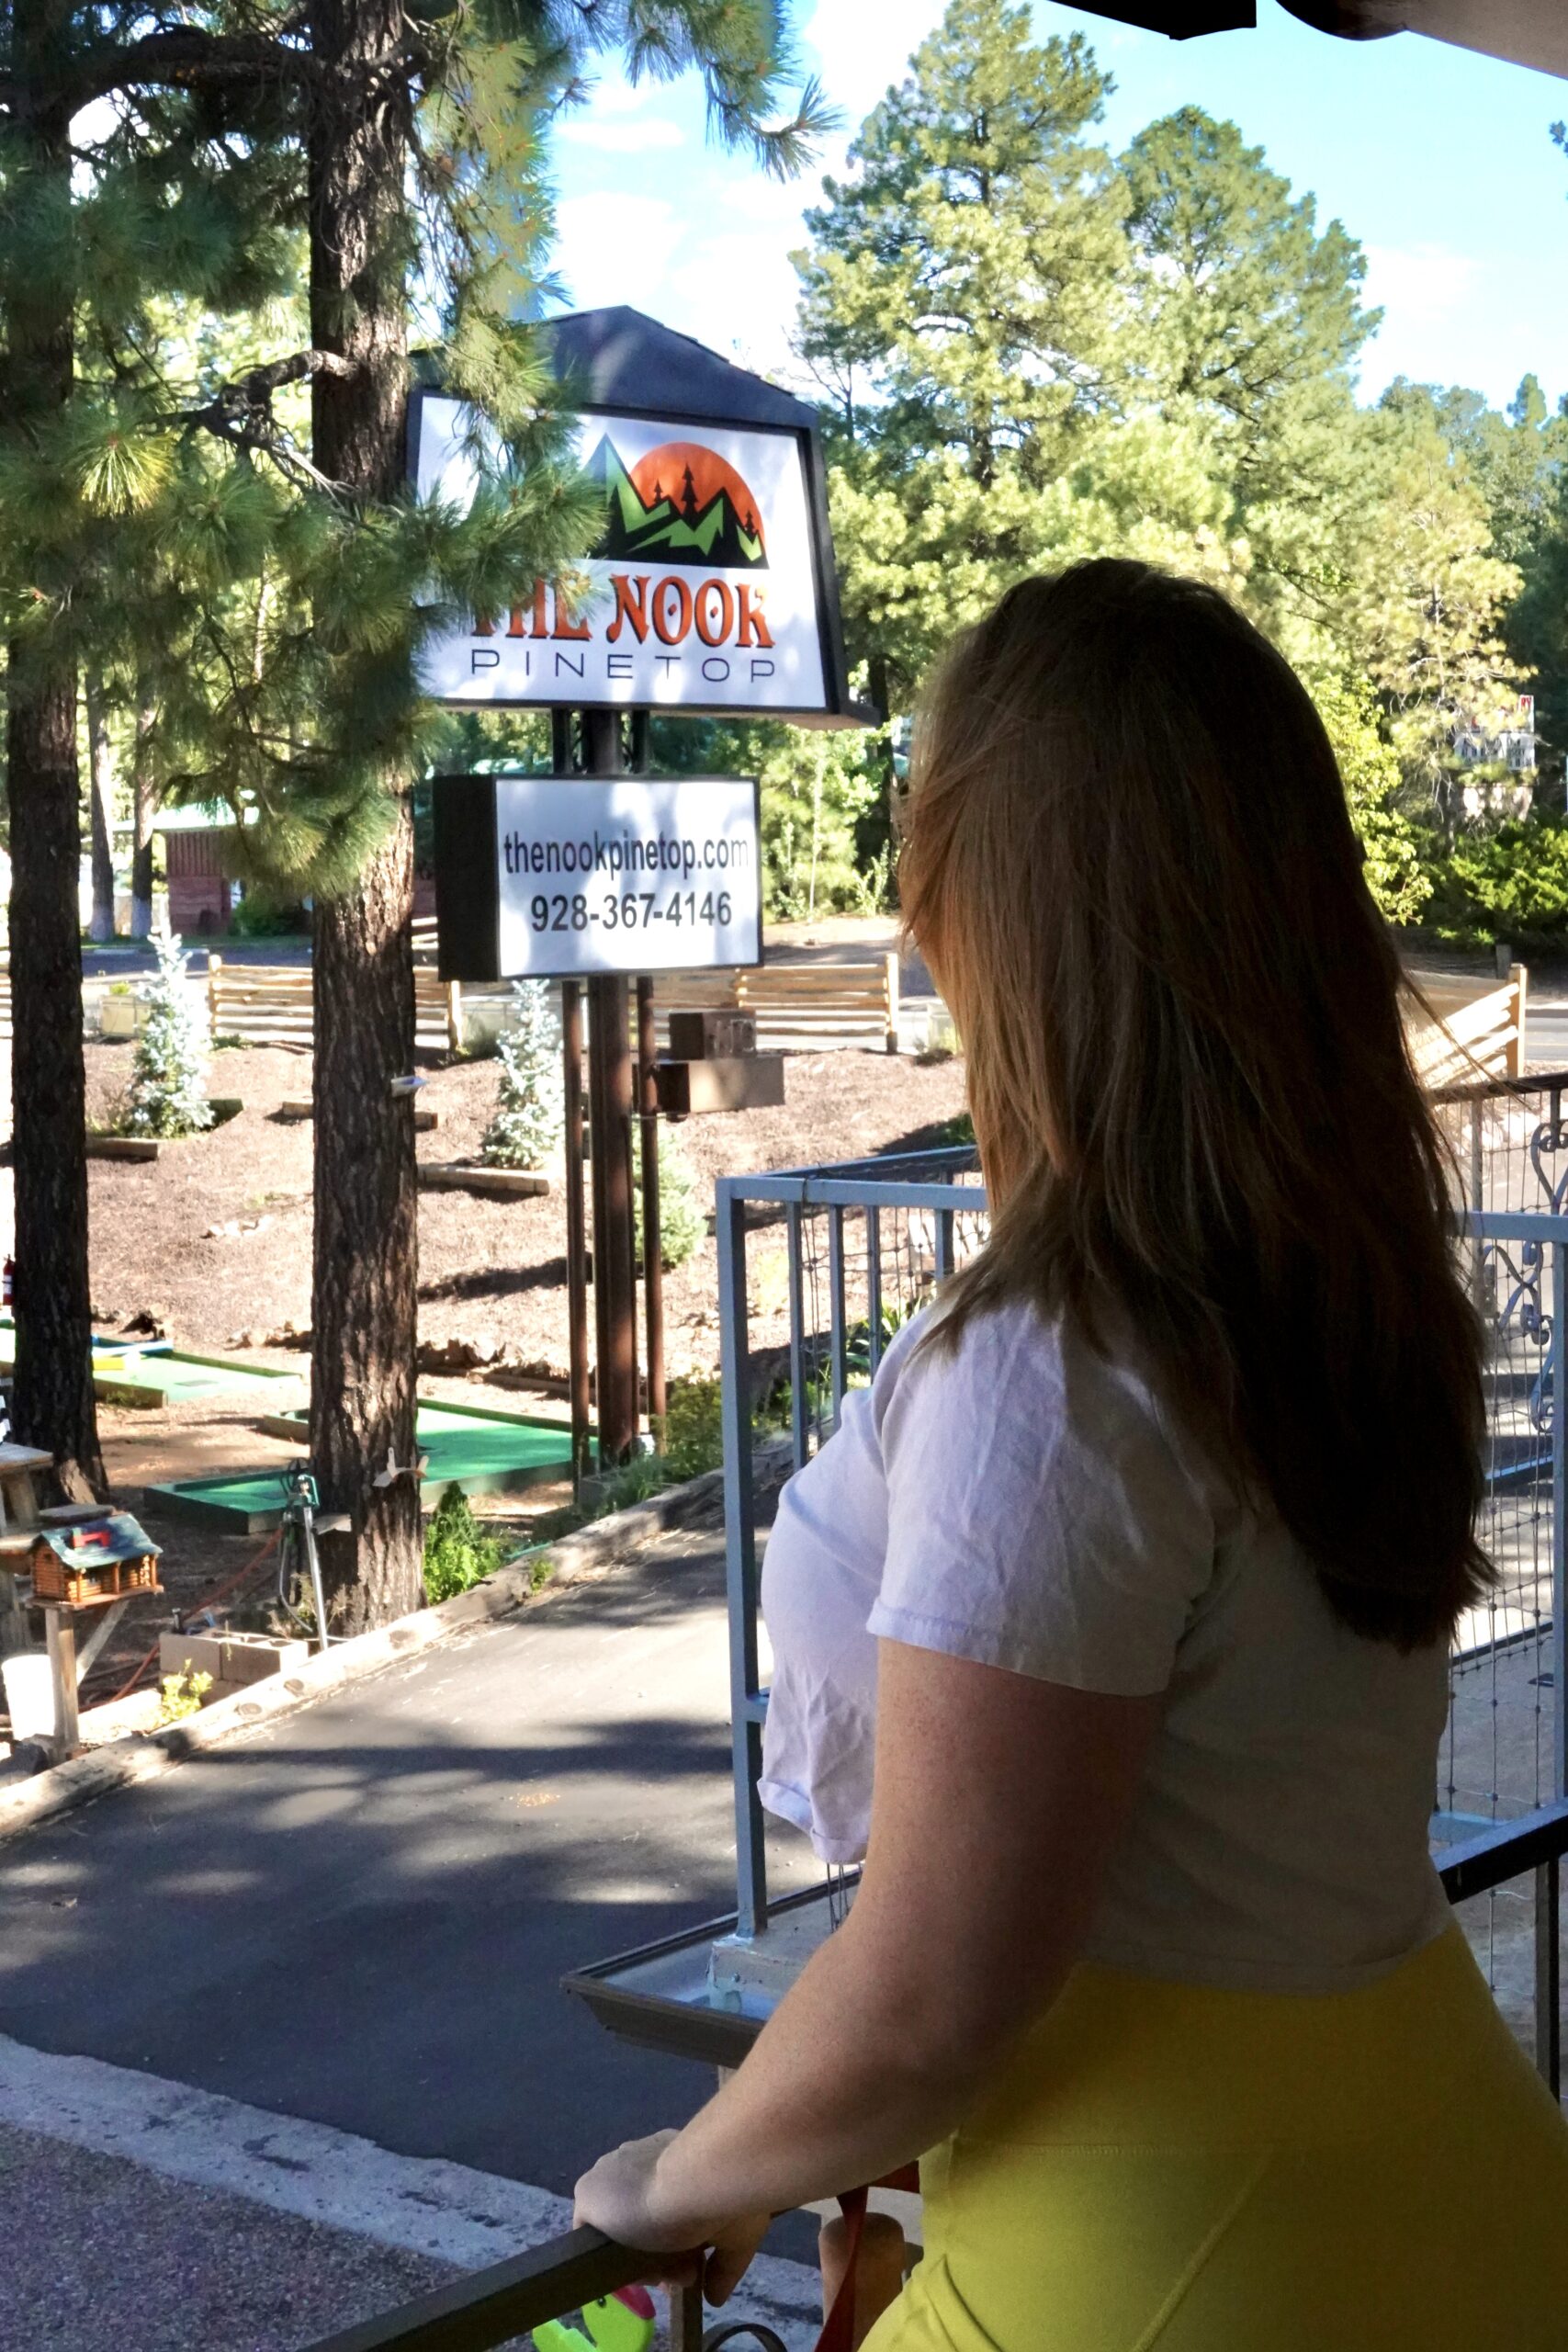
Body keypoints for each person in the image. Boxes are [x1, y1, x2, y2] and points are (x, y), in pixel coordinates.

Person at [574, 560, 1568, 2348]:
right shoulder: (1329, 1285)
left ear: (995, 914)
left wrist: (676, 2175)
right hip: (1446, 2183)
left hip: (1166, 2259)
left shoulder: (1055, 1362)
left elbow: (933, 1991)